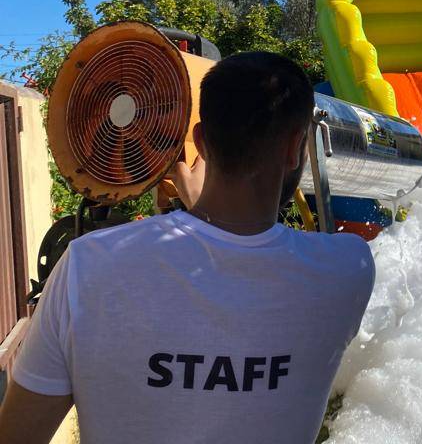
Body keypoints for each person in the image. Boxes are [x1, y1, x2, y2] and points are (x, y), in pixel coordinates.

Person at [0, 52, 375, 444]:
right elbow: (242, 261)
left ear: (201, 141)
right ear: (295, 147)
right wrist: (204, 217)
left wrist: (197, 216)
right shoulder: (349, 269)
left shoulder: (87, 267)